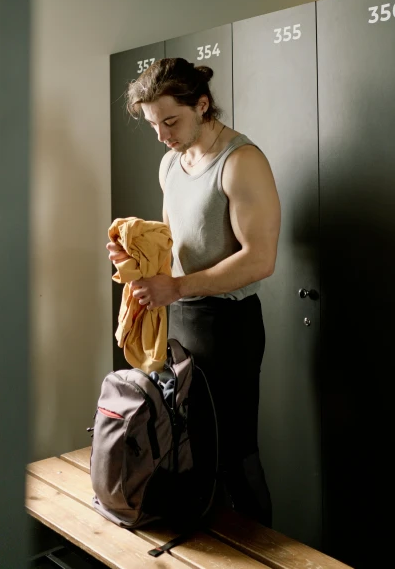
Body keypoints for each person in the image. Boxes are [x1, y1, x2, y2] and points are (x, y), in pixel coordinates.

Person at [107, 57, 281, 526]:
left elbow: (260, 258)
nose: (162, 134)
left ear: (202, 105)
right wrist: (134, 265)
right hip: (178, 316)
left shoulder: (242, 161)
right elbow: (171, 246)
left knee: (235, 451)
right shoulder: (171, 163)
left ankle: (266, 553)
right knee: (188, 443)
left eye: (171, 120)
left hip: (228, 325)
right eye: (152, 124)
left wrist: (178, 285)